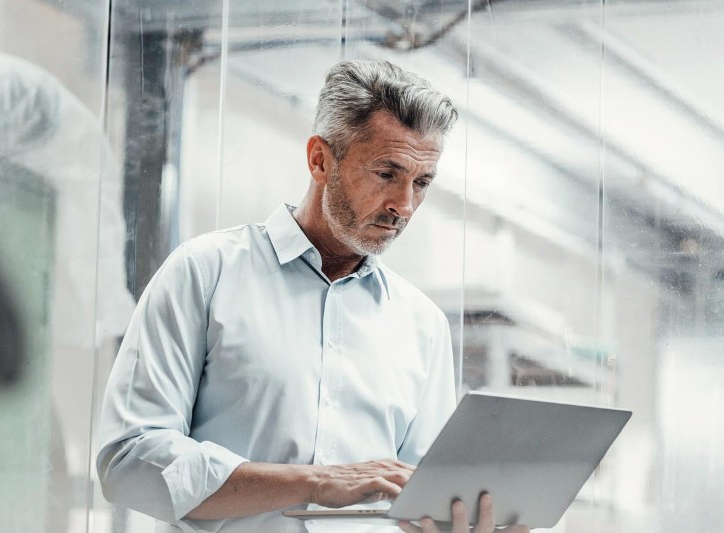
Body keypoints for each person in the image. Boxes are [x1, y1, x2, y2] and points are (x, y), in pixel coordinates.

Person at [96, 59, 528, 533]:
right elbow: (129, 462)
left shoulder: (423, 325)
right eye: (387, 173)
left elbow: (421, 503)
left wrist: (470, 520)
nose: (404, 206)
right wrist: (313, 483)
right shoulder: (205, 272)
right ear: (320, 159)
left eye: (421, 182)